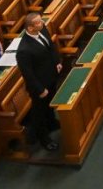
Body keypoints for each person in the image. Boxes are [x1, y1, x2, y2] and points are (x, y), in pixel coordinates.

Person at [16, 12, 62, 151]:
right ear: (30, 28)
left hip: (51, 76)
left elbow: (51, 47)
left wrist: (57, 61)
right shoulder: (24, 50)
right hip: (40, 86)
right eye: (38, 22)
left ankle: (52, 122)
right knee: (39, 112)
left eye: (41, 21)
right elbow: (28, 74)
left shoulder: (43, 30)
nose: (42, 23)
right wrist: (40, 89)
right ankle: (44, 139)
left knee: (49, 105)